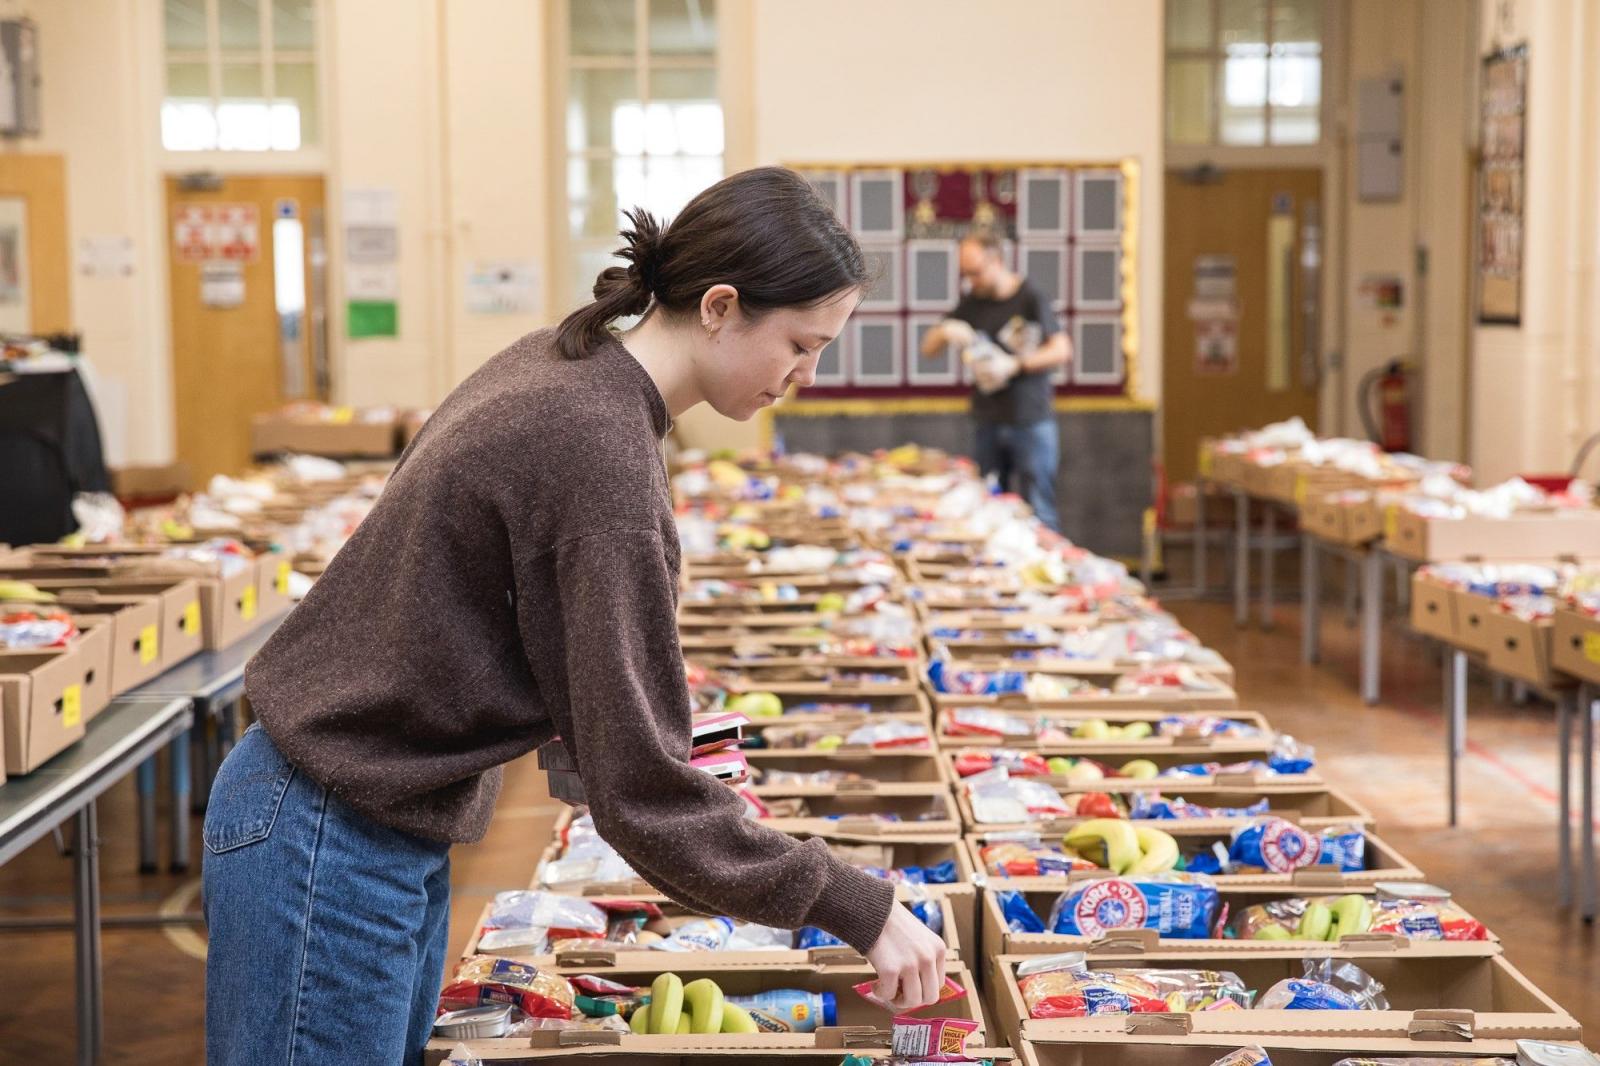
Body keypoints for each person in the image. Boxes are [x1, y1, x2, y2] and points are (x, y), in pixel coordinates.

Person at [202, 167, 948, 1066]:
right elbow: (642, 796)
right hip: (331, 823)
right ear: (719, 306)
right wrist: (856, 906)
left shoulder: (573, 363)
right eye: (800, 342)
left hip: (361, 805)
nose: (806, 374)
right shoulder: (598, 449)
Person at [920, 231, 1072, 530]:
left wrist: (1015, 365)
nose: (971, 281)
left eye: (975, 272)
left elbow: (1062, 349)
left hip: (1030, 418)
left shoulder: (1030, 297)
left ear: (996, 261)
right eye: (965, 274)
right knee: (988, 508)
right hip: (988, 419)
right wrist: (945, 331)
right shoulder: (973, 302)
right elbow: (928, 350)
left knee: (1038, 509)